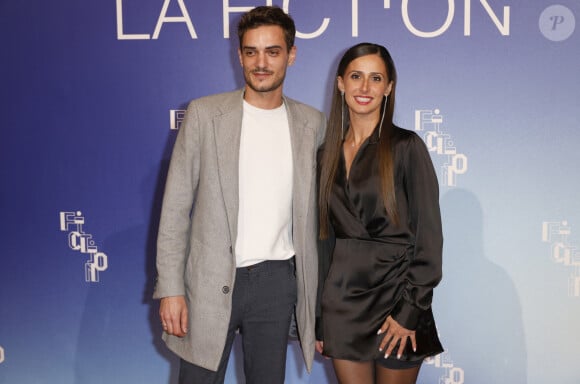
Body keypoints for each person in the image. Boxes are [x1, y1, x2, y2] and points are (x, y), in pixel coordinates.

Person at [153, 6, 326, 384]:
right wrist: (170, 288)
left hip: (277, 283)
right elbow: (175, 208)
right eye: (251, 51)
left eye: (273, 52)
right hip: (207, 279)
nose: (260, 63)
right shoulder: (204, 115)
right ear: (240, 55)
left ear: (291, 55)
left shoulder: (312, 124)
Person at [316, 43, 444, 384]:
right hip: (342, 304)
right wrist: (319, 318)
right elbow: (323, 242)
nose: (365, 88)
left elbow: (429, 241)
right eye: (356, 76)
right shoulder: (324, 155)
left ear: (388, 88)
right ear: (341, 83)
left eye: (376, 78)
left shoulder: (407, 147)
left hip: (398, 300)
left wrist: (409, 312)